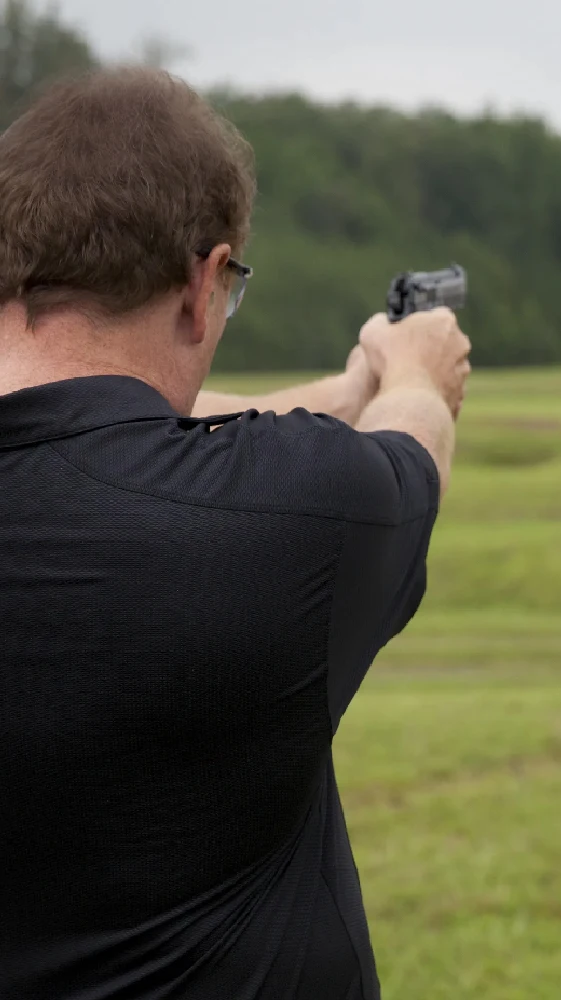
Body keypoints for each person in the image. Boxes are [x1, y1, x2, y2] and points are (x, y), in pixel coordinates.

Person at [0, 67, 470, 1000]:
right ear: (202, 282)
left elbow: (102, 421)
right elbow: (405, 462)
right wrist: (415, 373)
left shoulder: (230, 497)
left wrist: (346, 392)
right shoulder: (296, 516)